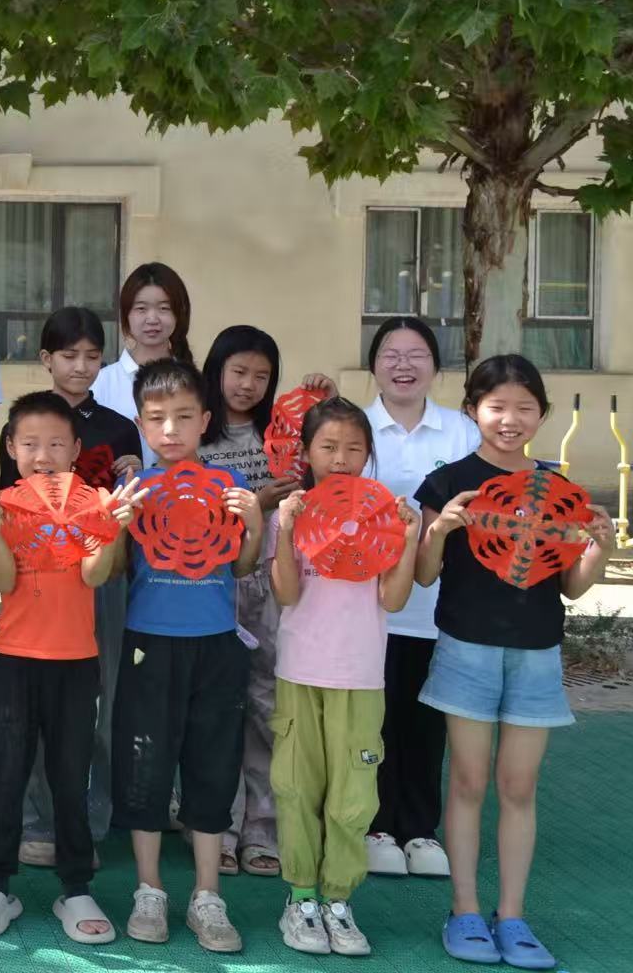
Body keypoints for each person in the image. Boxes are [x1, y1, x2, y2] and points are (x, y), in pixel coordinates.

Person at [414, 355, 612, 970]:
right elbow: (423, 575)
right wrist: (440, 530)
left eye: (525, 407)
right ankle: (465, 910)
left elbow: (572, 586)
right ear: (472, 410)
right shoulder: (447, 482)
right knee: (468, 781)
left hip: (536, 652)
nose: (510, 419)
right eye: (497, 406)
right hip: (465, 648)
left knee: (519, 786)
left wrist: (598, 549)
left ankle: (513, 916)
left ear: (542, 415)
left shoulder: (559, 492)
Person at [0, 391, 138, 944]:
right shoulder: (4, 504)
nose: (43, 455)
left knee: (70, 778)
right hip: (13, 662)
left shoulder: (94, 502)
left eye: (56, 444)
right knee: (8, 777)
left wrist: (113, 528)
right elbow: (0, 581)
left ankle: (75, 887)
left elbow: (93, 575)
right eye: (30, 443)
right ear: (10, 449)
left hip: (76, 663)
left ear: (76, 450)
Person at [111, 358, 264, 953]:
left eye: (182, 417)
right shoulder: (136, 491)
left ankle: (207, 895)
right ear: (141, 424)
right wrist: (117, 527)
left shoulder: (229, 485)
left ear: (205, 420)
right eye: (156, 419)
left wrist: (254, 527)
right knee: (145, 765)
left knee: (212, 765)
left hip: (216, 646)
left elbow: (242, 568)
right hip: (148, 644)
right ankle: (148, 889)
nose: (170, 429)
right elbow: (116, 570)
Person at [267, 396, 421, 956]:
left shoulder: (384, 517)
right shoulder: (291, 513)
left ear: (368, 454)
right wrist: (286, 530)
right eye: (328, 446)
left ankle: (337, 899)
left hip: (360, 676)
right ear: (306, 452)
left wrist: (408, 539)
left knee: (353, 796)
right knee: (296, 787)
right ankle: (301, 899)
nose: (340, 458)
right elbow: (286, 593)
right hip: (300, 670)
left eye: (354, 448)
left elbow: (394, 600)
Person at [0, 307, 141, 868]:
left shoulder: (118, 426)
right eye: (68, 355)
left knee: (99, 698)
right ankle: (37, 820)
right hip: (35, 578)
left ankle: (91, 815)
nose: (80, 366)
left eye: (92, 356)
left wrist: (132, 475)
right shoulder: (24, 423)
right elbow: (10, 507)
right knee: (33, 712)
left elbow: (124, 507)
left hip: (98, 572)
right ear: (46, 359)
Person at [361, 316, 479, 879]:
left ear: (435, 366)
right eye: (390, 354)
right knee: (375, 723)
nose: (403, 365)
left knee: (426, 724)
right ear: (374, 365)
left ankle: (420, 830)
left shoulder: (462, 432)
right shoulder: (355, 427)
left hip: (438, 609)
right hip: (370, 605)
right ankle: (376, 825)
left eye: (416, 355)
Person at [197, 324, 295, 878]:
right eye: (238, 371)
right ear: (216, 370)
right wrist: (258, 501)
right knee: (217, 708)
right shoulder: (197, 433)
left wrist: (320, 396)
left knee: (265, 705)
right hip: (214, 584)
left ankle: (262, 829)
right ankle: (218, 826)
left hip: (272, 584)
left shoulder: (281, 436)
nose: (248, 384)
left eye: (262, 375)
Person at [91, 263, 193, 419]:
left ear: (179, 313)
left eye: (164, 308)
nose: (152, 319)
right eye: (141, 309)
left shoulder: (192, 381)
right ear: (126, 315)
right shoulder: (100, 383)